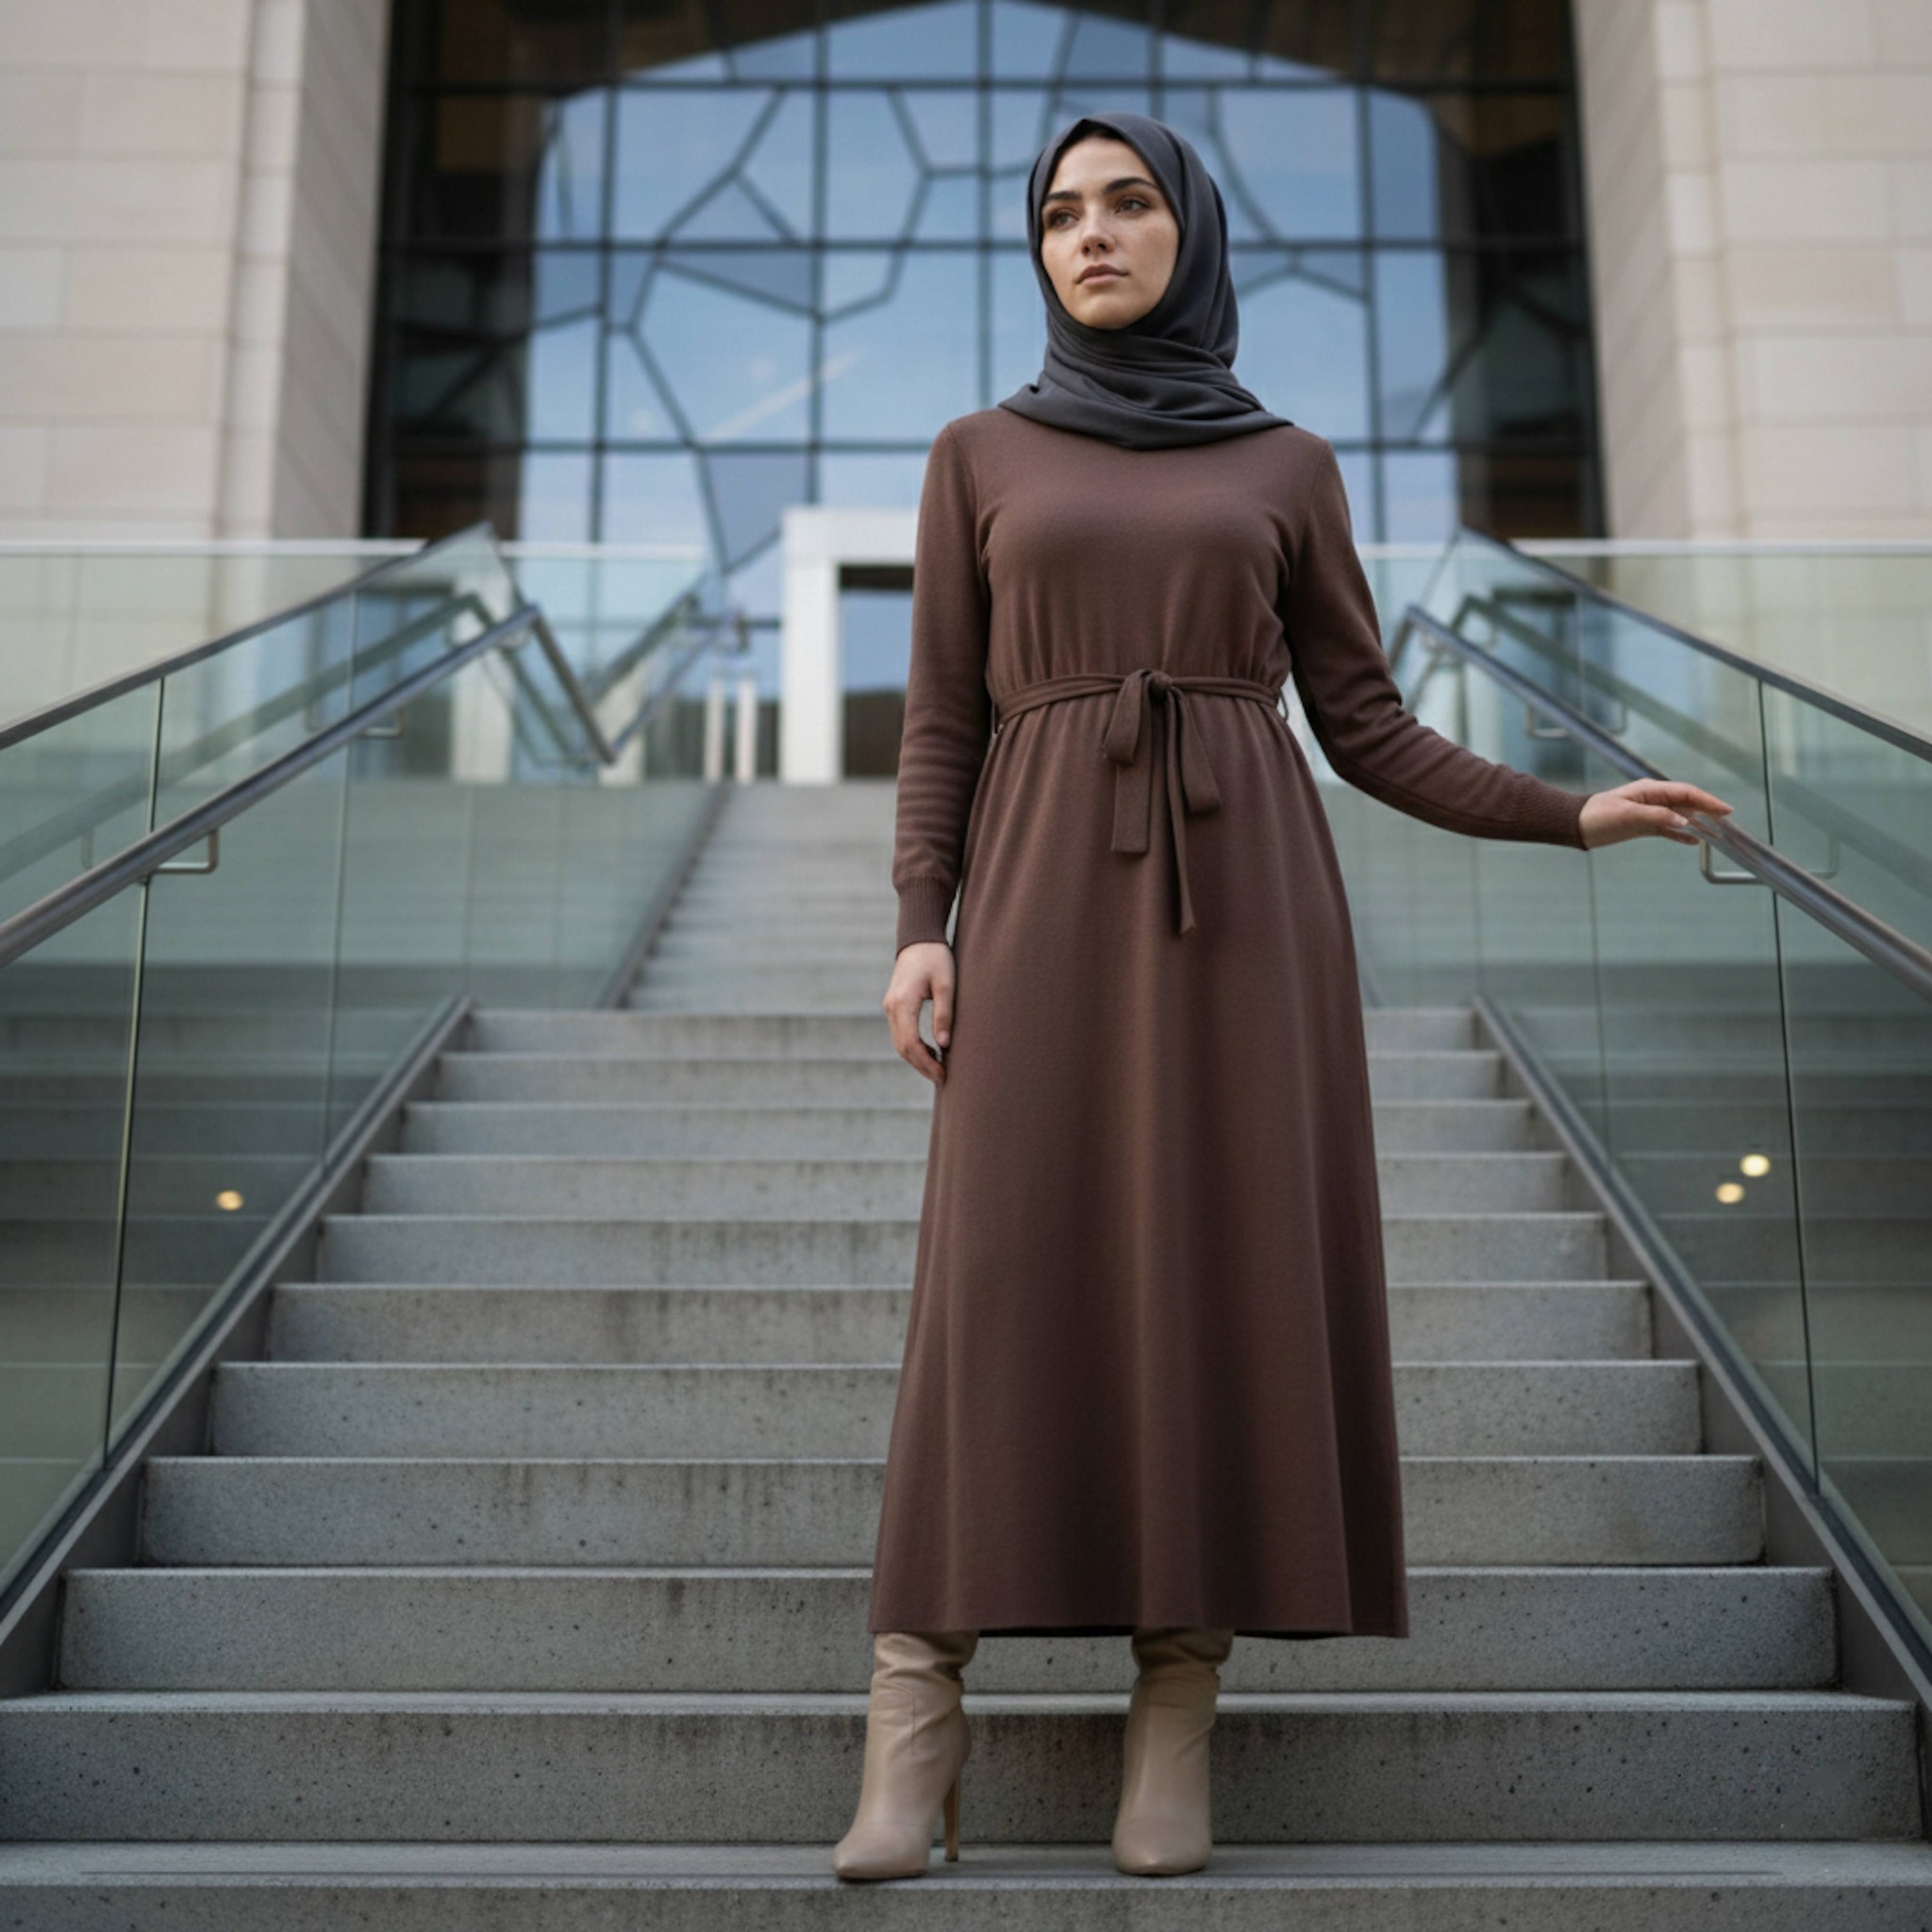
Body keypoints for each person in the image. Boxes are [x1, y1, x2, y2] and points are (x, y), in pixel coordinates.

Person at [834, 109, 1733, 1885]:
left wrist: (1571, 812)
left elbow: (1369, 727)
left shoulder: (1288, 463)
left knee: (1218, 1280)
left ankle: (1180, 1711)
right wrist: (920, 919)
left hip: (1248, 921)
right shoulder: (976, 452)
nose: (1091, 236)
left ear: (1194, 228)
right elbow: (943, 713)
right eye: (1060, 214)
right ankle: (911, 1730)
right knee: (996, 1282)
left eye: (1130, 203)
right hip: (1029, 905)